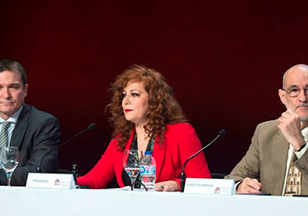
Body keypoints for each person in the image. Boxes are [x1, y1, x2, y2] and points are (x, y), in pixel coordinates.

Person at [226, 63, 308, 196]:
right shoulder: (265, 131)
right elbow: (231, 180)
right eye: (294, 90)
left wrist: (300, 144)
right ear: (283, 97)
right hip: (272, 214)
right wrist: (240, 186)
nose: (303, 98)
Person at [77, 64, 211, 191]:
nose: (126, 101)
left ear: (154, 100)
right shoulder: (121, 140)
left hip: (167, 211)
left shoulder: (181, 133)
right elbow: (93, 180)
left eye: (134, 94)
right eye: (124, 95)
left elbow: (203, 183)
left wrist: (176, 184)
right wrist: (61, 181)